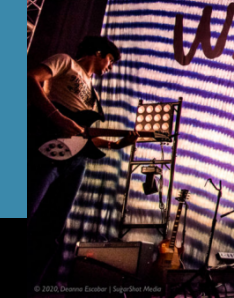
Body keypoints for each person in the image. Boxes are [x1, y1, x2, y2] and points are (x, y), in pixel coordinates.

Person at [26, 36, 139, 291]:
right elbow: (29, 78)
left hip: (75, 162)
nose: (110, 67)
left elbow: (83, 135)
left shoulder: (94, 94)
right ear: (97, 53)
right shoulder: (65, 62)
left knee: (50, 230)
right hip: (46, 151)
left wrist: (116, 145)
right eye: (109, 60)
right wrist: (56, 116)